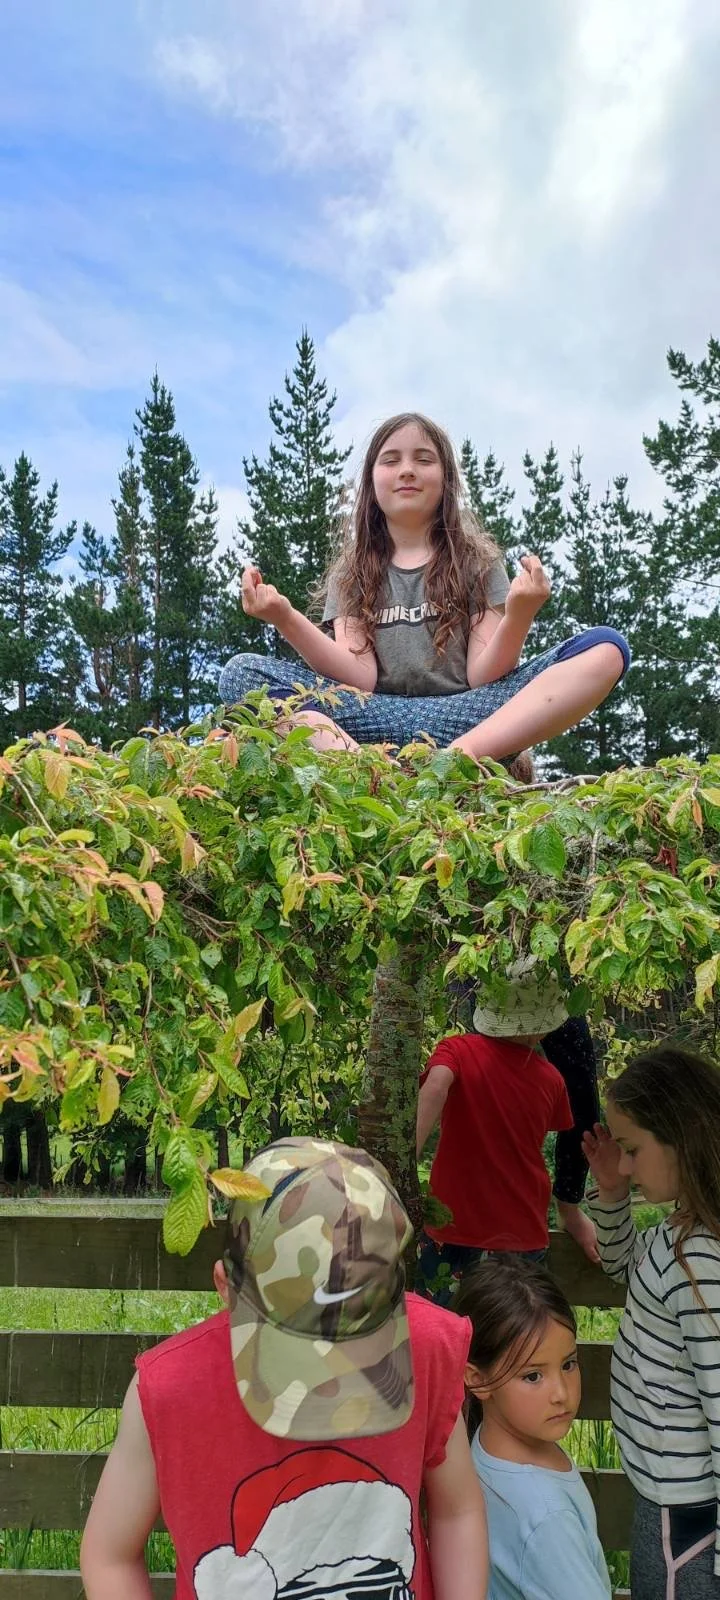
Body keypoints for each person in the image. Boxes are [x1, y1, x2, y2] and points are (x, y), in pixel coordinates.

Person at [80, 1136, 488, 1600]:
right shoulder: (171, 1389)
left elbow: (457, 1511)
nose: (328, 1377)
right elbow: (109, 1555)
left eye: (356, 1343)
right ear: (226, 1286)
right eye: (300, 1345)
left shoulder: (427, 1350)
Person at [218, 413, 630, 760]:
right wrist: (284, 618)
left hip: (469, 715)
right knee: (241, 674)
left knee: (606, 648)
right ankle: (369, 771)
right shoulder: (351, 572)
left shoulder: (477, 562)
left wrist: (519, 615)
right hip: (368, 718)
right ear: (372, 481)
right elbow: (358, 677)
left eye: (423, 459)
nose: (407, 470)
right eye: (391, 460)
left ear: (446, 478)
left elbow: (483, 673)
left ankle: (455, 762)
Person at [582, 1045, 720, 1599]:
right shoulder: (676, 1234)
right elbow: (622, 1264)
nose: (626, 1165)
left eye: (633, 1150)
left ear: (683, 1137)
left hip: (684, 1519)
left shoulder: (701, 1259)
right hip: (664, 1498)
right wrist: (612, 1197)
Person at [414, 959, 597, 1305]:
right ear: (541, 1027)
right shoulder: (551, 1079)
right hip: (522, 1233)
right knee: (513, 1338)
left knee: (439, 1330)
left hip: (451, 1226)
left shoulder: (456, 1050)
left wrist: (404, 1166)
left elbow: (436, 1085)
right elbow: (555, 1127)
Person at [455, 1255, 612, 1599]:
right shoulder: (546, 1518)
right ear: (478, 1381)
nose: (561, 1393)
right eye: (533, 1376)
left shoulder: (486, 1451)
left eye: (569, 1364)